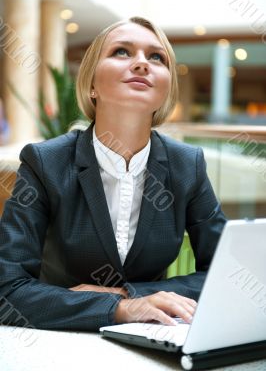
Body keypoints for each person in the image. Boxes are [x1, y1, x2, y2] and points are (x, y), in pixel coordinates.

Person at [0, 17, 226, 332]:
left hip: (153, 336)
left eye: (156, 57)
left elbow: (227, 275)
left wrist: (129, 296)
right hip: (60, 337)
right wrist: (121, 309)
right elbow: (7, 291)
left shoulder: (188, 165)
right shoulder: (45, 162)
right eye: (122, 52)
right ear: (91, 85)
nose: (142, 64)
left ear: (167, 87)